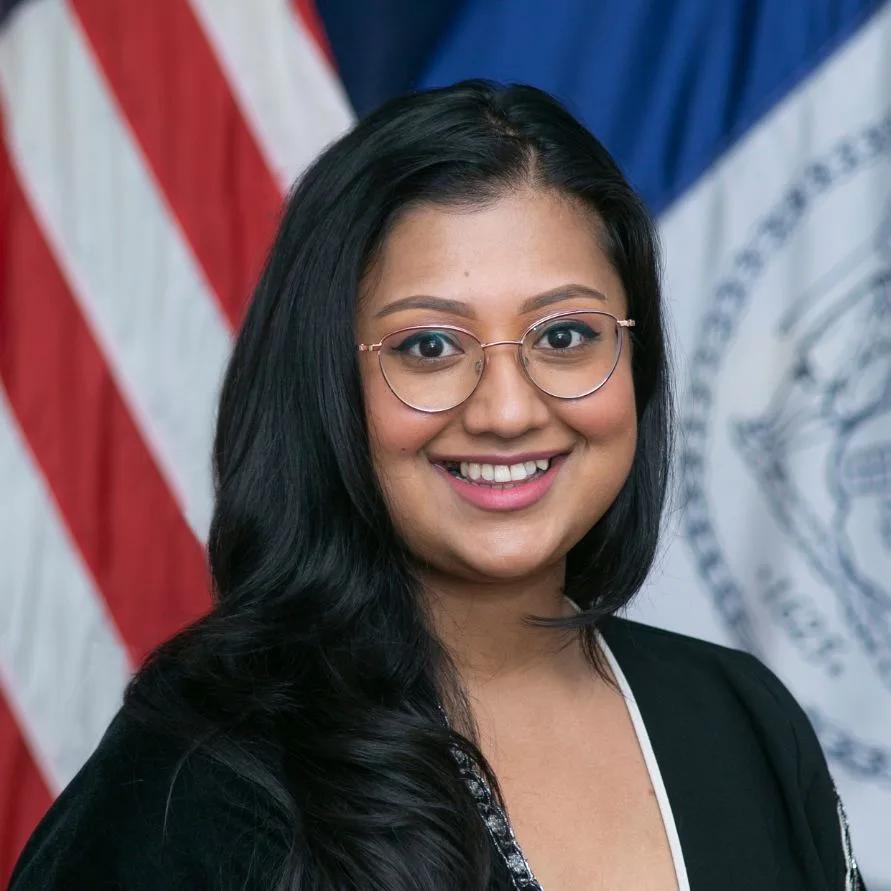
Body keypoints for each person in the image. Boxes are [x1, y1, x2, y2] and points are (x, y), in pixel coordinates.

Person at [10, 81, 864, 891]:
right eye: (429, 346)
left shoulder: (738, 717)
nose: (506, 410)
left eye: (564, 335)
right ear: (325, 383)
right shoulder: (197, 779)